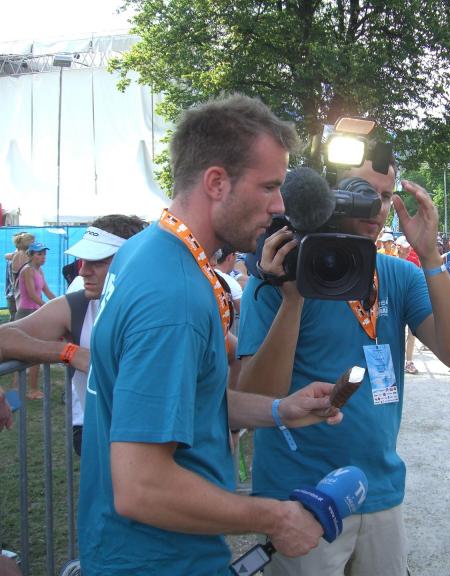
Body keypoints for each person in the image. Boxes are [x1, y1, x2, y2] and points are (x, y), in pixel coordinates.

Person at [77, 94, 345, 575]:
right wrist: (277, 517)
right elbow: (141, 487)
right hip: (161, 563)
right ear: (217, 182)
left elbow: (179, 401)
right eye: (269, 187)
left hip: (129, 552)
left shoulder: (144, 250)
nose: (280, 205)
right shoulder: (174, 296)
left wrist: (279, 410)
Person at [236, 157, 450, 575]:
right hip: (299, 497)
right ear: (326, 197)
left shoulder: (399, 275)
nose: (376, 208)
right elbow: (257, 399)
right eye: (362, 193)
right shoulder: (279, 274)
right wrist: (294, 299)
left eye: (385, 196)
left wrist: (430, 256)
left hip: (378, 489)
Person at [0, 215, 147, 455]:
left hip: (151, 435)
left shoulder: (163, 308)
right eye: (83, 260)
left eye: (98, 261)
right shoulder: (78, 305)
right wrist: (69, 352)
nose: (83, 271)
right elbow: (4, 337)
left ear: (132, 261)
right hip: (96, 431)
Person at [15, 241, 56, 400]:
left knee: (33, 353)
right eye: (40, 254)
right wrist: (48, 308)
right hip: (26, 313)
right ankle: (26, 390)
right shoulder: (27, 270)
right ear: (31, 255)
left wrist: (61, 303)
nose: (43, 257)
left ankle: (28, 389)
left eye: (44, 254)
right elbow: (32, 295)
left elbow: (47, 291)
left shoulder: (40, 271)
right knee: (26, 353)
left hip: (35, 313)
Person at [395, 235, 421, 374]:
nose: (408, 249)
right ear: (398, 247)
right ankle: (394, 362)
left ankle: (409, 362)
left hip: (410, 303)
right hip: (395, 303)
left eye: (409, 247)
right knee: (394, 334)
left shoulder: (414, 261)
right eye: (406, 247)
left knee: (412, 333)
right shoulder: (390, 262)